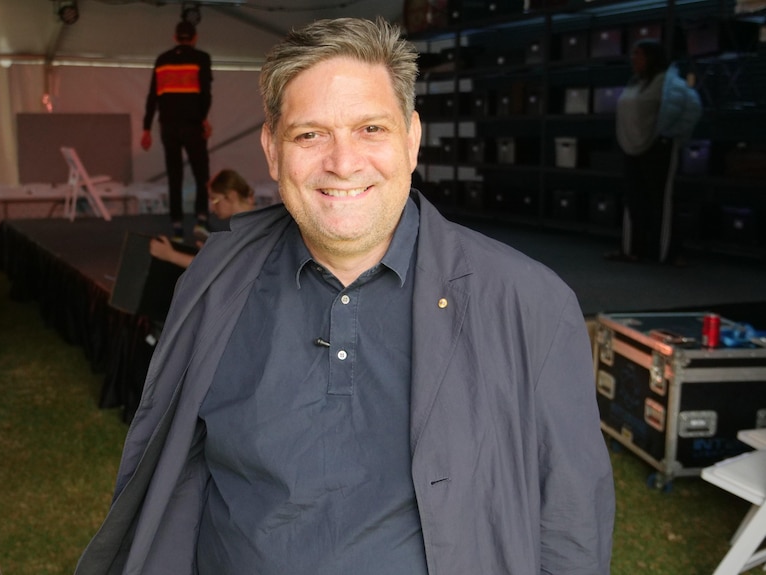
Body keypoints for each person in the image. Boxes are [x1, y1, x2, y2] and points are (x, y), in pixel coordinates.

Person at [77, 17, 614, 574]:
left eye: (370, 130)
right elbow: (175, 481)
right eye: (310, 134)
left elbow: (573, 522)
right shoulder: (217, 283)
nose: (342, 162)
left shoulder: (529, 303)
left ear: (412, 139)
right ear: (271, 149)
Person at [607, 38, 701, 265]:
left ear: (651, 57)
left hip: (658, 149)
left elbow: (693, 108)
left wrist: (669, 135)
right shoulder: (635, 83)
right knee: (635, 200)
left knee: (661, 201)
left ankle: (667, 252)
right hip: (632, 148)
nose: (634, 59)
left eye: (638, 54)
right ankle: (634, 249)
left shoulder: (669, 83)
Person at [141, 20, 213, 240]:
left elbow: (153, 97)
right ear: (194, 37)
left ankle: (177, 227)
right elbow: (206, 95)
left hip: (168, 127)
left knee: (175, 176)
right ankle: (201, 220)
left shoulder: (162, 61)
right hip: (192, 125)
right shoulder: (201, 59)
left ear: (175, 38)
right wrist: (202, 119)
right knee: (202, 174)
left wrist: (146, 128)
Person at [149, 168, 256, 268]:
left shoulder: (250, 227)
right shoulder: (250, 223)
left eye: (215, 200)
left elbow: (216, 268)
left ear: (232, 195)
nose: (212, 208)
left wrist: (170, 255)